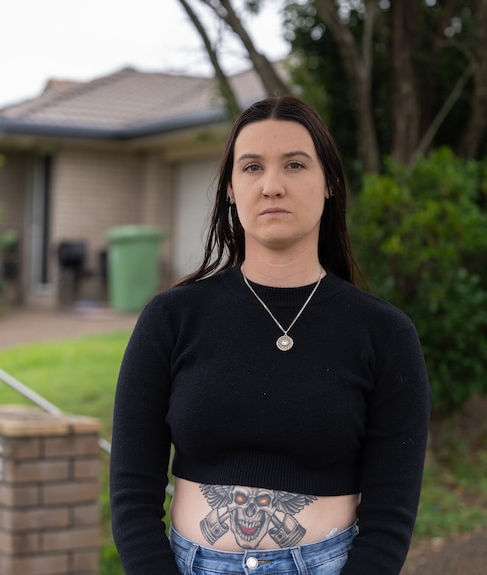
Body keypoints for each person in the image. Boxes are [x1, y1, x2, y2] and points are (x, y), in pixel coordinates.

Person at [110, 95, 430, 575]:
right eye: (252, 167)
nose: (272, 185)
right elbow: (133, 494)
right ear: (231, 191)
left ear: (330, 185)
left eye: (295, 165)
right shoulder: (171, 319)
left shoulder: (384, 335)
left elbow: (390, 520)